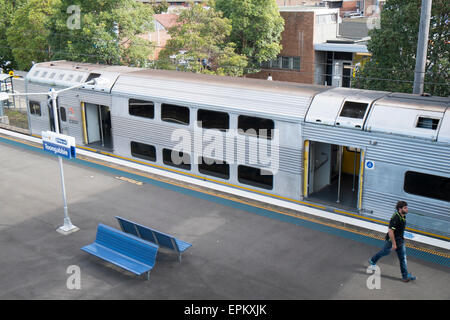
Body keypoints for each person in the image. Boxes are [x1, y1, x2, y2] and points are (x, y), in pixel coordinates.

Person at [369, 201, 417, 282]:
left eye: (406, 207)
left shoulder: (403, 216)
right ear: (400, 209)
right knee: (385, 252)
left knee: (403, 258)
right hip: (391, 241)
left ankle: (405, 276)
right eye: (405, 208)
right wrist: (394, 244)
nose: (407, 209)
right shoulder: (395, 218)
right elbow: (391, 231)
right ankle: (373, 260)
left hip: (400, 241)